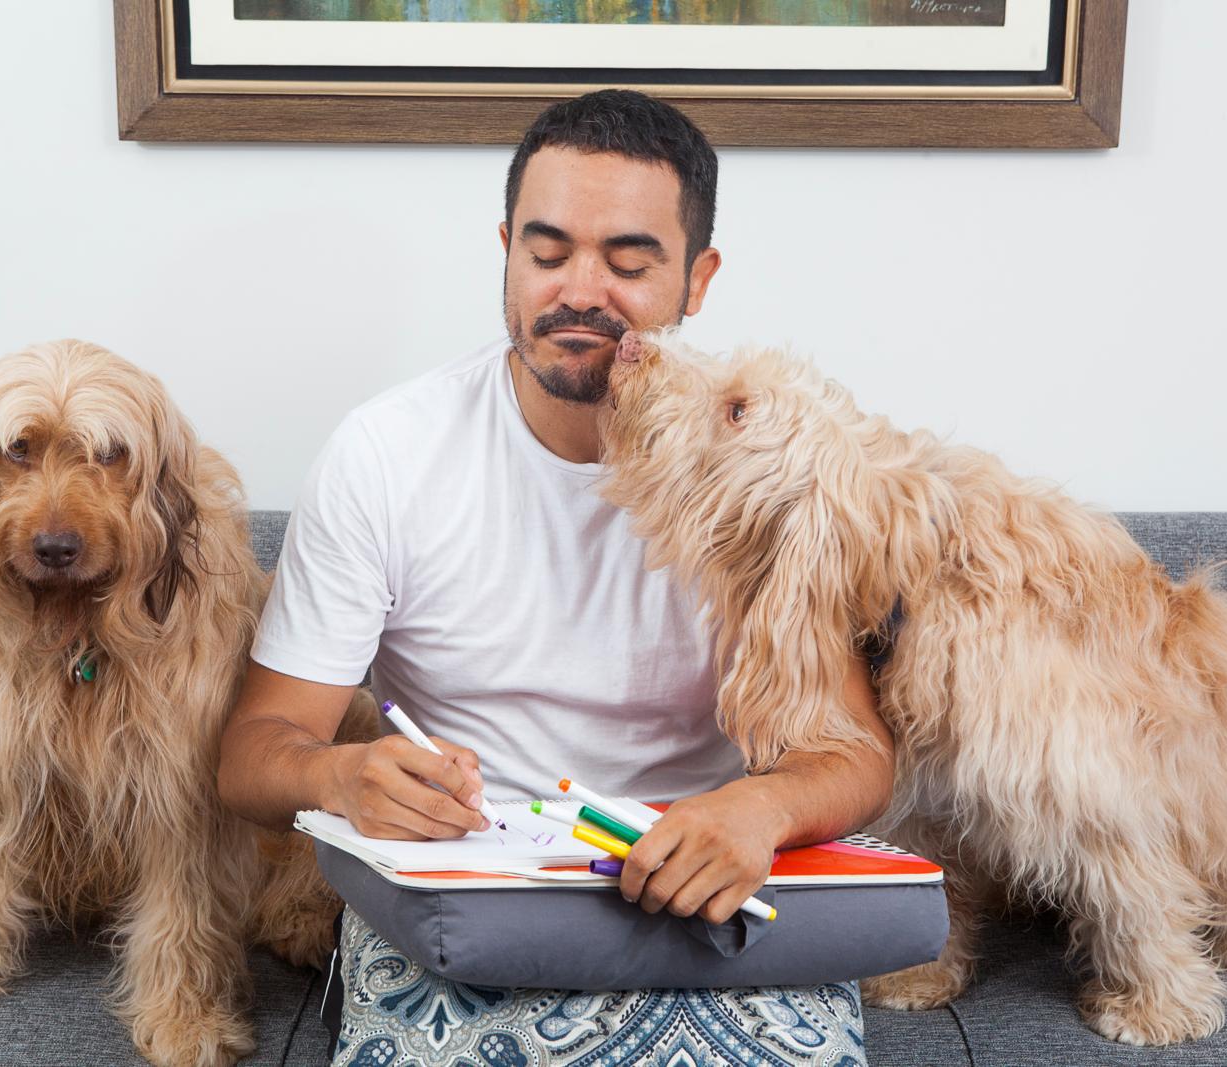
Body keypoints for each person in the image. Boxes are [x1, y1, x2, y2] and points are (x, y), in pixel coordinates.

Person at [218, 88, 895, 1066]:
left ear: (697, 279)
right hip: (467, 901)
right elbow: (250, 754)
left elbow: (855, 751)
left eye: (629, 261)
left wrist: (761, 807)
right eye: (546, 252)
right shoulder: (386, 453)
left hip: (706, 885)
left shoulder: (767, 465)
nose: (581, 289)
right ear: (504, 249)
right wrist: (337, 772)